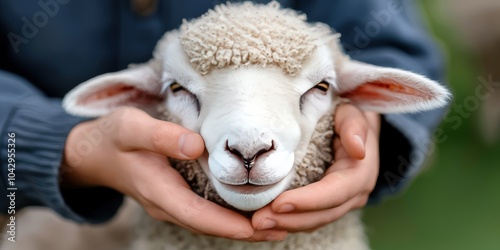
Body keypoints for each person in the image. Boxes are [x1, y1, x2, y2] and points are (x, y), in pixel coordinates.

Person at [0, 0, 447, 242]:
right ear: (133, 91)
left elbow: (390, 44)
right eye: (178, 88)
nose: (248, 146)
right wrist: (57, 145)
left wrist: (369, 131)